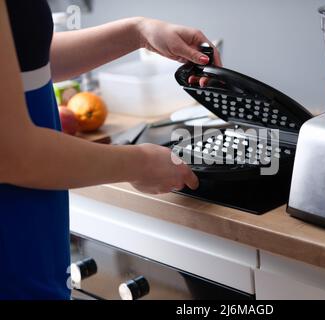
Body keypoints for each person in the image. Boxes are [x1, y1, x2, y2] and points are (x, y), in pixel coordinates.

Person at [0, 0, 221, 300]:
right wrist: (139, 163)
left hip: (35, 233)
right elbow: (13, 153)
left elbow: (28, 59)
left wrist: (138, 32)